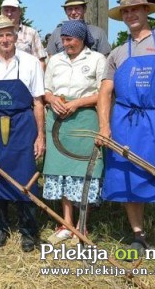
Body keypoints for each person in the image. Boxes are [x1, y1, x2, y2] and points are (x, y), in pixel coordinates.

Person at [97, 0, 155, 276]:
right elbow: (105, 92)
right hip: (124, 122)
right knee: (129, 179)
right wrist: (104, 127)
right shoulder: (118, 52)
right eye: (125, 10)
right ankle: (139, 237)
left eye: (135, 8)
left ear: (146, 11)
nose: (130, 14)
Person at [0, 15, 45, 252]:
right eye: (0, 35)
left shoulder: (30, 62)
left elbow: (37, 101)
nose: (4, 39)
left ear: (16, 36)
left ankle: (28, 230)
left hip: (23, 125)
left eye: (8, 34)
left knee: (25, 176)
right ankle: (0, 228)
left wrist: (40, 136)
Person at [42, 20, 106, 244]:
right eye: (63, 39)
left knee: (83, 171)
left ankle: (82, 225)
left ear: (81, 38)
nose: (65, 43)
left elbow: (103, 93)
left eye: (70, 39)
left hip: (84, 118)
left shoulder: (97, 59)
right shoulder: (56, 61)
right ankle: (66, 223)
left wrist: (78, 102)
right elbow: (46, 89)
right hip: (58, 121)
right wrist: (51, 99)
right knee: (61, 172)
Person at [46, 0, 112, 56]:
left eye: (77, 8)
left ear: (84, 9)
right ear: (65, 11)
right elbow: (51, 58)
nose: (73, 12)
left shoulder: (98, 32)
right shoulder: (57, 33)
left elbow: (105, 59)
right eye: (70, 9)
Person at [0, 0, 47, 70]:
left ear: (20, 12)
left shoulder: (31, 33)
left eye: (13, 10)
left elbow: (40, 61)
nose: (9, 14)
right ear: (1, 12)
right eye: (6, 10)